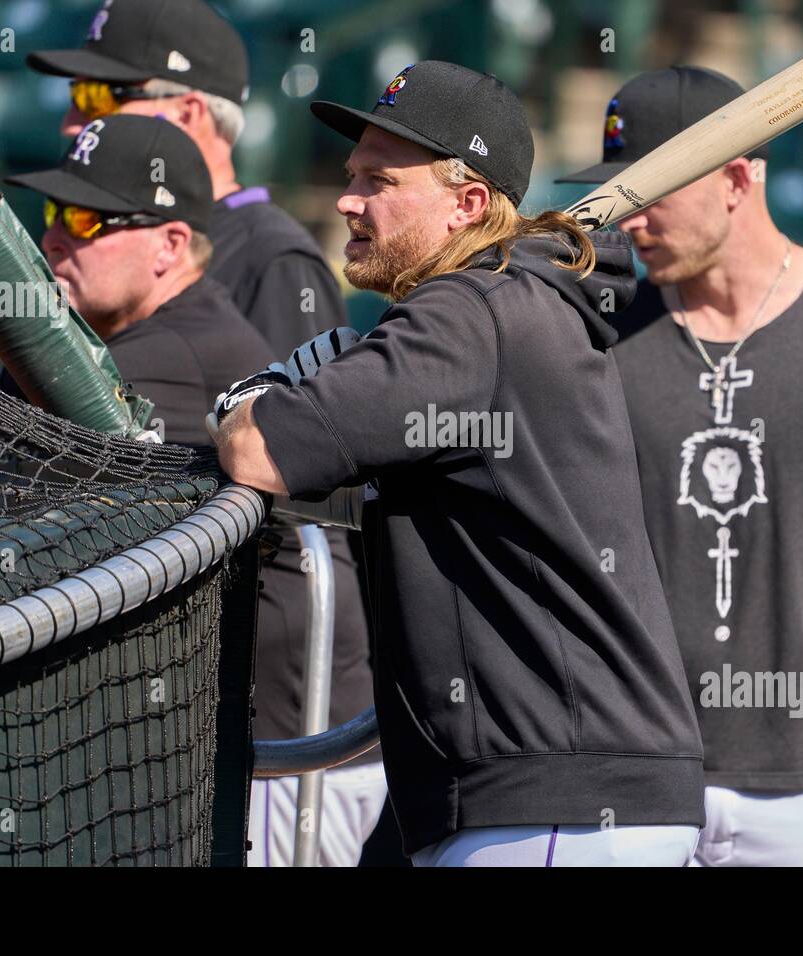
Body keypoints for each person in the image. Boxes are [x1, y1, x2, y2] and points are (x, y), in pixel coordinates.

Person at [211, 60, 706, 867]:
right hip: (571, 791)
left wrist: (273, 387)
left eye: (379, 180)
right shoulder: (501, 305)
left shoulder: (469, 313)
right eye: (350, 176)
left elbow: (256, 451)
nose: (347, 200)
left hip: (554, 799)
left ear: (467, 203)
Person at [558, 66, 803, 866]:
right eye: (620, 196)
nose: (629, 221)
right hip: (635, 781)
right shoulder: (595, 338)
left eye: (652, 192)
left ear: (738, 178)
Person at [1, 114, 384, 866]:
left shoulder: (174, 347)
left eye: (85, 218)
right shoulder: (116, 336)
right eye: (51, 214)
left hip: (286, 750)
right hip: (240, 737)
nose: (53, 239)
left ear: (170, 245)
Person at [26, 0, 346, 356]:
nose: (70, 124)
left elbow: (300, 411)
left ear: (185, 113)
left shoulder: (275, 261)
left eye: (95, 98)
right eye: (74, 94)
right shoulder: (94, 244)